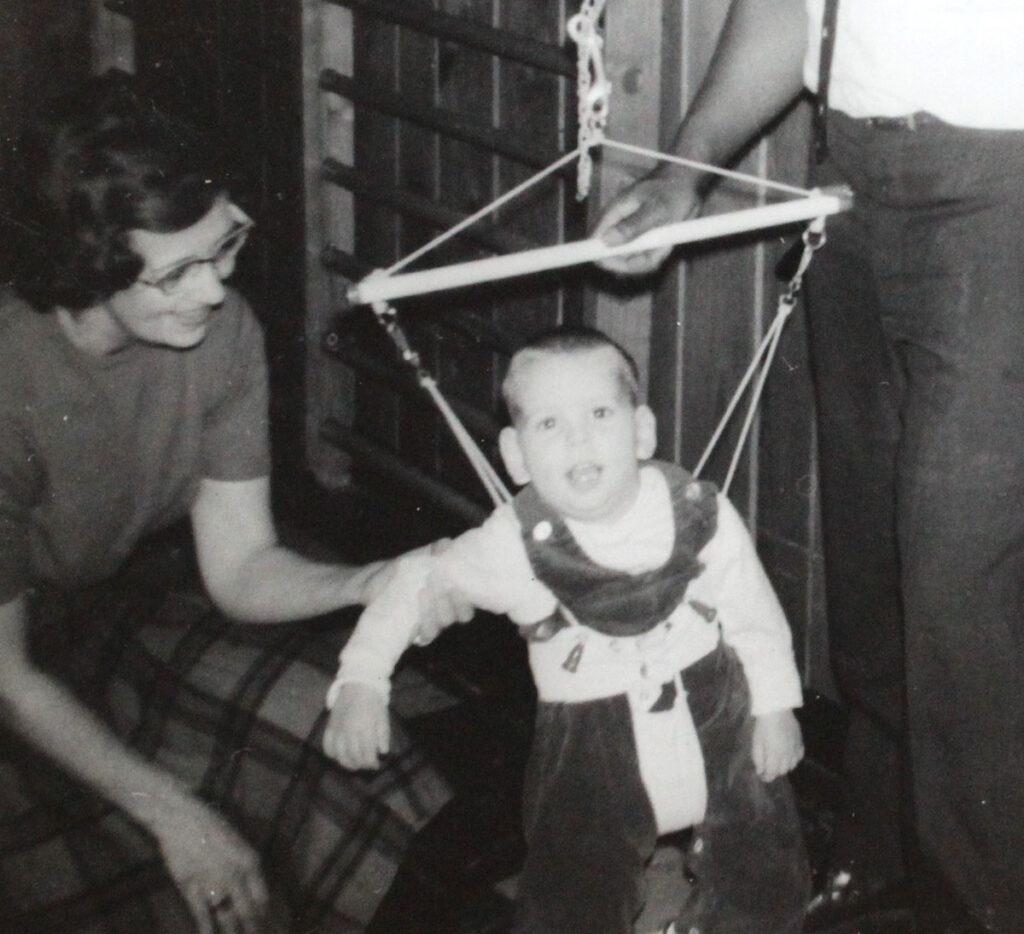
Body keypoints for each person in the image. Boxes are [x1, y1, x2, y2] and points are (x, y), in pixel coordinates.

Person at [0, 72, 469, 933]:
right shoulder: (10, 376)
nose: (214, 290)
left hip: (95, 605)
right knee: (113, 875)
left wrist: (372, 580)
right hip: (10, 652)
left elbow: (243, 566)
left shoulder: (222, 334)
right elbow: (7, 674)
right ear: (88, 267)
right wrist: (173, 814)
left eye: (226, 248)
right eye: (175, 272)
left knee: (337, 739)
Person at [593, 2, 1024, 930]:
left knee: (961, 590)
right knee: (872, 568)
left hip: (1007, 194)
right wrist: (684, 174)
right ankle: (884, 848)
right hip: (855, 180)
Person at [323, 326, 810, 934]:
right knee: (574, 884)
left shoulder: (696, 507)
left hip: (718, 714)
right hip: (589, 742)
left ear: (641, 432)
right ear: (517, 456)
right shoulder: (510, 543)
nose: (578, 437)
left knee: (762, 861)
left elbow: (752, 608)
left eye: (600, 412)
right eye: (549, 424)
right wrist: (363, 679)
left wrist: (775, 705)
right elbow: (417, 582)